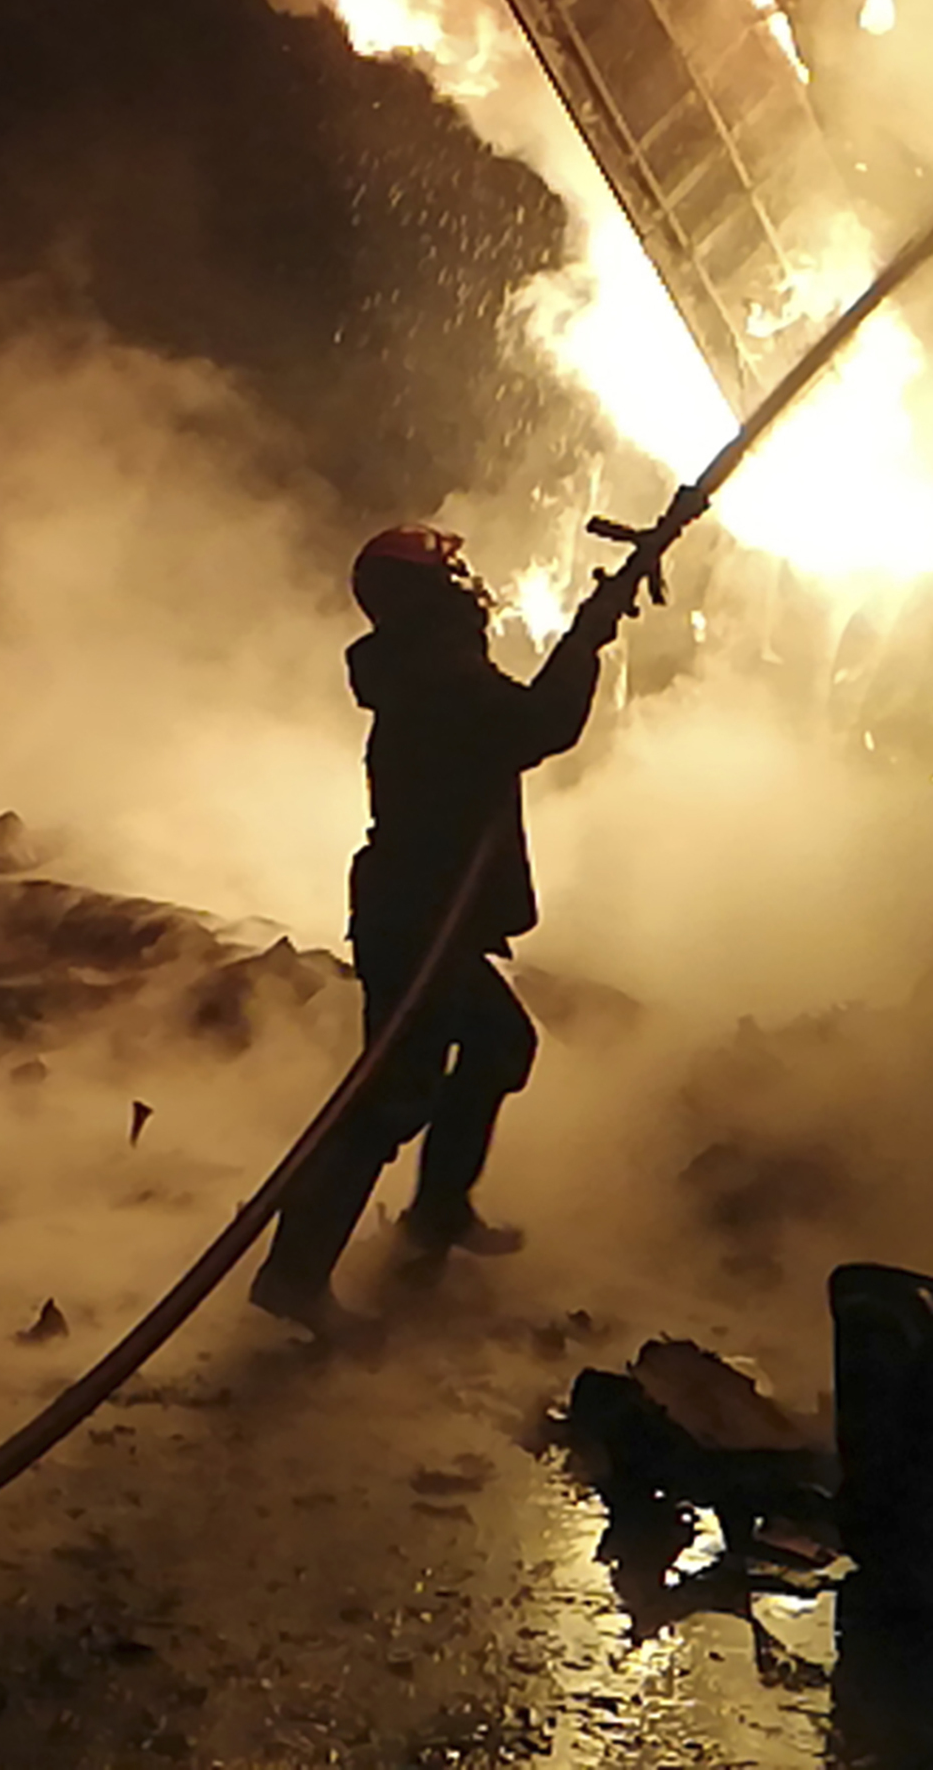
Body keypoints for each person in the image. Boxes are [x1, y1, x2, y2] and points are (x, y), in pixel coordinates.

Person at [251, 501, 696, 1330]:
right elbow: (536, 725)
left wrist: (594, 624)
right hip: (418, 918)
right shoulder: (438, 674)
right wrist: (590, 634)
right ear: (424, 596)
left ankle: (437, 1212)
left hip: (426, 914)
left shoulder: (427, 665)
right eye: (450, 575)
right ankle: (293, 1275)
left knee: (499, 1043)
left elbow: (514, 724)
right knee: (390, 1098)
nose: (470, 586)